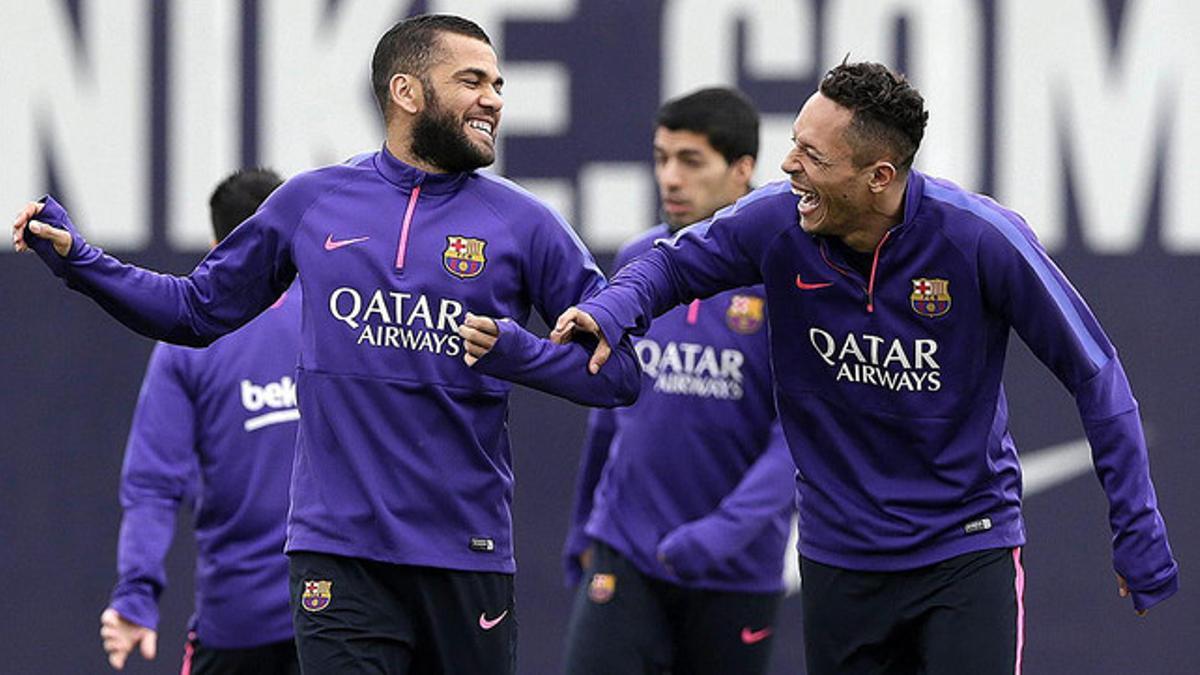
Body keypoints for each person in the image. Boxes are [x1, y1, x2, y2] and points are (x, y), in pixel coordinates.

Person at [14, 14, 640, 674]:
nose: (494, 99)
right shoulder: (313, 203)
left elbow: (619, 374)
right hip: (338, 556)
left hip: (466, 553)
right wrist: (81, 260)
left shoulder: (527, 224)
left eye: (498, 83)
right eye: (471, 80)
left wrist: (522, 354)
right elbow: (194, 309)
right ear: (406, 91)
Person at [550, 61, 1178, 674]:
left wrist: (1137, 524)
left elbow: (1095, 373)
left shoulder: (979, 239)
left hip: (964, 549)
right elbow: (672, 264)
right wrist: (611, 309)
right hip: (839, 557)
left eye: (813, 157)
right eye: (794, 144)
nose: (789, 166)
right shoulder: (777, 221)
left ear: (879, 176)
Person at [561, 88, 795, 675]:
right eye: (662, 158)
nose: (670, 178)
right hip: (625, 550)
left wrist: (725, 532)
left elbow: (797, 435)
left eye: (691, 161)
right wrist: (584, 522)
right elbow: (609, 401)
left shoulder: (786, 279)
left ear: (742, 171)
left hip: (734, 569)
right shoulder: (642, 258)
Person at [98, 168, 300, 674]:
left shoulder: (184, 348)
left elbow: (152, 486)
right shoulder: (341, 318)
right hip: (338, 619)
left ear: (216, 247)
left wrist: (136, 595)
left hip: (239, 627)